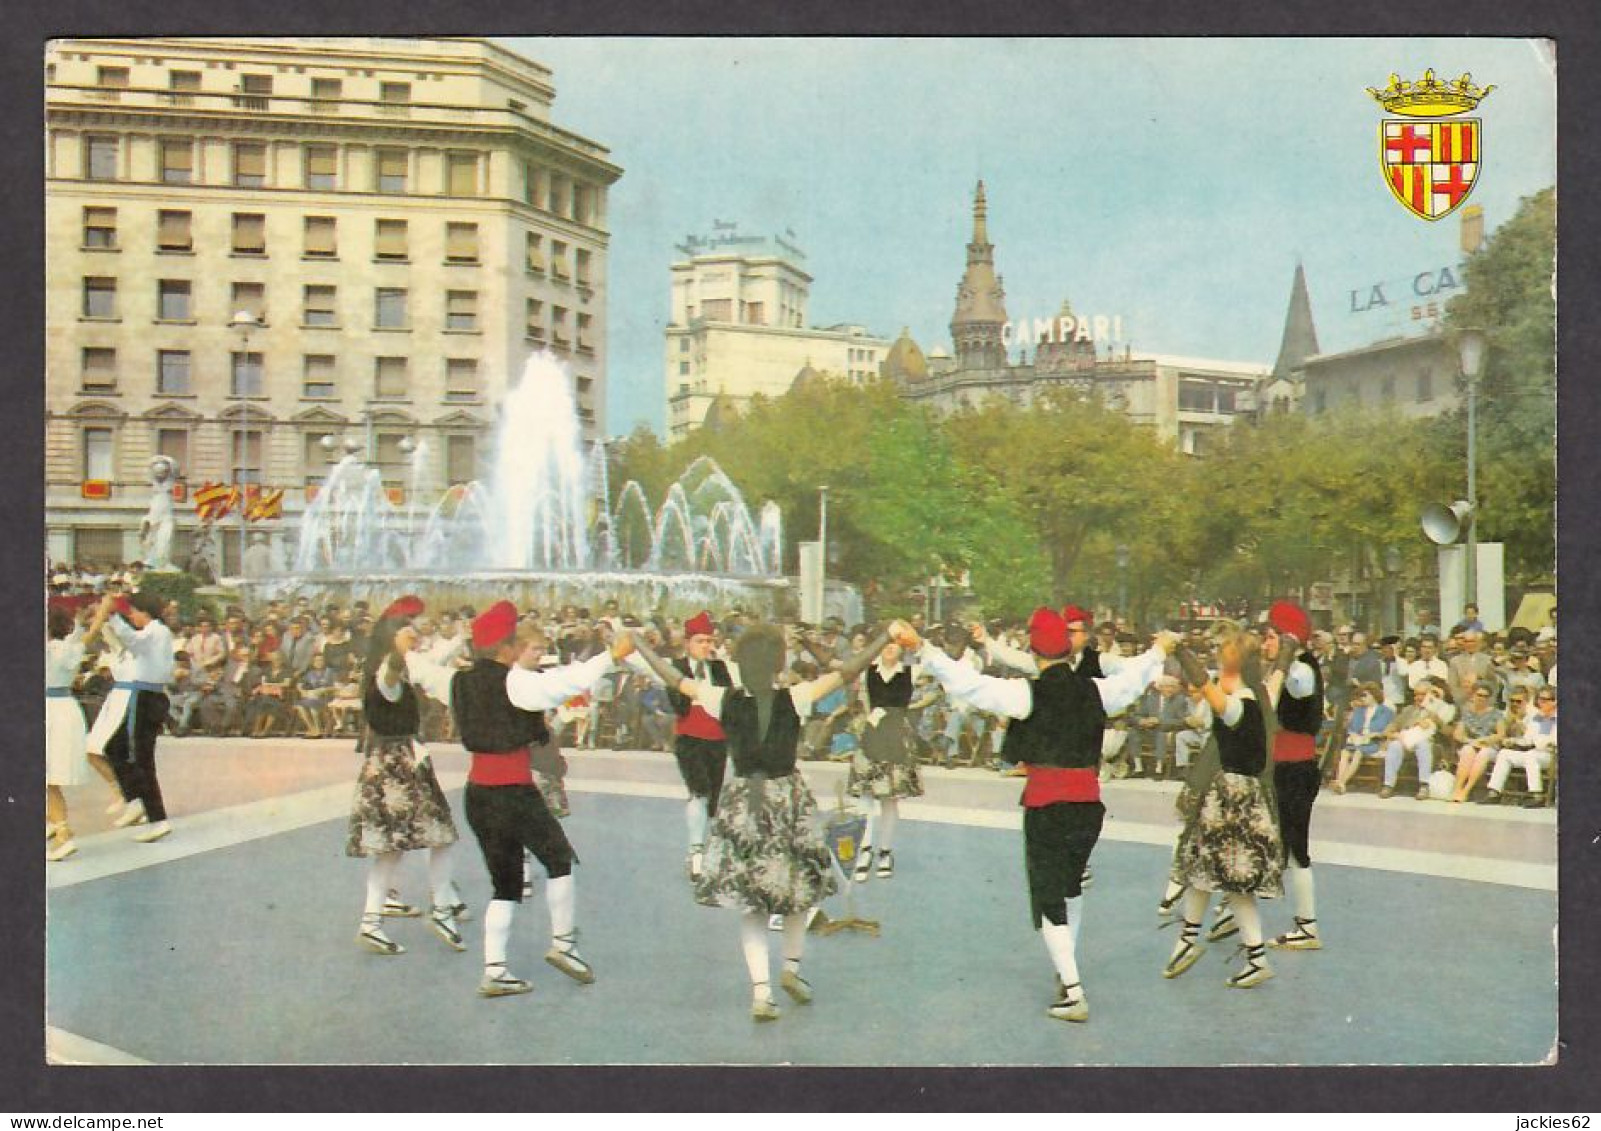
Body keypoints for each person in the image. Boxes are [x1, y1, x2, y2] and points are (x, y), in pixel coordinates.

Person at [904, 609, 1176, 1023]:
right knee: (1071, 889)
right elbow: (1133, 679)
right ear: (1068, 648)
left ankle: (1073, 989)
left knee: (1049, 899)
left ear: (1033, 650)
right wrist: (1158, 650)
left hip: (1047, 805)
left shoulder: (1025, 693)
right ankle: (1065, 969)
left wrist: (923, 648)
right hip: (1089, 806)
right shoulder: (1096, 691)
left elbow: (971, 685)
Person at [632, 622, 888, 1022]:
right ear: (777, 663)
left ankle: (761, 992)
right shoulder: (796, 696)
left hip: (743, 801)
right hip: (787, 797)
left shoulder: (722, 699)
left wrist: (637, 646)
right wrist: (884, 637)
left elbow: (673, 678)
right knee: (799, 891)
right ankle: (792, 968)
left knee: (750, 901)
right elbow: (848, 671)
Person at [406, 599, 634, 998]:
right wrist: (612, 655)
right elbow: (568, 682)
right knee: (560, 861)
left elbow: (421, 672)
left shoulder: (455, 682)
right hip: (514, 791)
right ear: (506, 648)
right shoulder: (515, 681)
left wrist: (395, 646)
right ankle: (564, 944)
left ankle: (495, 970)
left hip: (478, 794)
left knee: (505, 884)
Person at [1164, 621, 1283, 989]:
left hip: (1232, 798)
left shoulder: (1240, 705)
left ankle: (1229, 951)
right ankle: (1192, 941)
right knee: (1212, 873)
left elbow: (1206, 686)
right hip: (1238, 797)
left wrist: (1179, 650)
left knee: (1220, 876)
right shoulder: (1257, 696)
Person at [345, 596, 465, 958]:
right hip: (398, 766)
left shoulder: (386, 670)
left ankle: (373, 921)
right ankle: (441, 908)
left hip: (396, 763)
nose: (414, 630)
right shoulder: (385, 673)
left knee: (393, 849)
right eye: (406, 626)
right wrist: (400, 651)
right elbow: (393, 673)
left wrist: (458, 640)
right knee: (436, 836)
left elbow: (427, 664)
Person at [1258, 601, 1325, 953]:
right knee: (1278, 843)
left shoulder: (1302, 670)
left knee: (1296, 849)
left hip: (1295, 769)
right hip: (1284, 767)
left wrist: (1284, 654)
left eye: (1270, 636)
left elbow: (1298, 687)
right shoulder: (1292, 667)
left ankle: (1307, 924)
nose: (1263, 642)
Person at [845, 637, 923, 880]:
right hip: (873, 736)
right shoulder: (868, 671)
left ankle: (885, 852)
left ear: (902, 648)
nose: (890, 647)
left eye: (895, 643)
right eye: (886, 642)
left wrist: (910, 710)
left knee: (890, 799)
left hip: (897, 738)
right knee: (866, 796)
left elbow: (940, 683)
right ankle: (865, 849)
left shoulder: (912, 671)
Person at [664, 612, 732, 883]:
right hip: (690, 738)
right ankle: (696, 852)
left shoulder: (720, 668)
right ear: (688, 642)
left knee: (714, 798)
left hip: (717, 739)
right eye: (701, 641)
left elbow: (729, 701)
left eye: (710, 641)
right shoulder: (676, 666)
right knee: (699, 791)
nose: (707, 646)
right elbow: (678, 705)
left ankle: (711, 853)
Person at [47, 602, 115, 861]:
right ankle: (56, 823)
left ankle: (63, 832)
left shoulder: (47, 650)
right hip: (66, 708)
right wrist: (99, 612)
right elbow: (86, 635)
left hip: (50, 709)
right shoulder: (70, 647)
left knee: (44, 777)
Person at [1484, 688, 1557, 806]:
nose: (1541, 702)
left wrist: (1540, 742)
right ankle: (1494, 792)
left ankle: (1537, 795)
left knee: (1531, 756)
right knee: (1504, 753)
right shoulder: (1537, 718)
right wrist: (1513, 741)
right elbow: (1528, 740)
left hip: (1551, 755)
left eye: (1545, 700)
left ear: (1554, 702)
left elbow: (1553, 741)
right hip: (1535, 752)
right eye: (1540, 699)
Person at [1330, 683, 1395, 793]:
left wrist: (1373, 735)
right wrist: (1354, 735)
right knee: (1345, 752)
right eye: (1361, 696)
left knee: (1357, 753)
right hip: (1358, 740)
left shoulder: (1386, 712)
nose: (1362, 698)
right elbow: (1352, 728)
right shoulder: (1359, 710)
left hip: (1374, 742)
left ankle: (1341, 783)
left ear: (1374, 695)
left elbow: (1386, 730)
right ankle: (1340, 783)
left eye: (1365, 695)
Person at [1449, 682, 1506, 803]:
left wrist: (1485, 740)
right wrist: (1471, 741)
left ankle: (1466, 790)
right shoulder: (1467, 712)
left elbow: (1501, 734)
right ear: (1473, 696)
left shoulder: (1496, 713)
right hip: (1472, 743)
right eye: (1479, 695)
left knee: (1483, 754)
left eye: (1485, 696)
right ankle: (1457, 788)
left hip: (1489, 746)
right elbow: (1458, 734)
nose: (1482, 698)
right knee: (1467, 751)